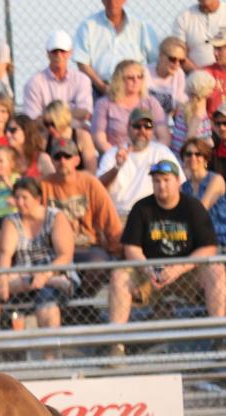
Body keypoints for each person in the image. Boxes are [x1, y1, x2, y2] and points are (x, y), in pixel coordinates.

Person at [108, 160, 225, 348]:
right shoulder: (141, 208)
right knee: (119, 275)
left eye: (166, 180)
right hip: (150, 273)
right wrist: (147, 268)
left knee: (217, 271)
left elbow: (208, 247)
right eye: (156, 181)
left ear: (177, 181)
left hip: (187, 272)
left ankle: (219, 339)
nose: (161, 185)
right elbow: (131, 248)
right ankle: (116, 343)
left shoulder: (193, 207)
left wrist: (179, 268)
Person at [0, 178, 76, 335]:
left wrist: (45, 274)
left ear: (37, 199)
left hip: (54, 270)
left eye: (24, 198)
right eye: (17, 198)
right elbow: (5, 254)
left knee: (46, 302)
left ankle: (50, 358)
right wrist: (2, 276)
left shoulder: (55, 217)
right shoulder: (12, 221)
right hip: (25, 273)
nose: (20, 203)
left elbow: (65, 255)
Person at [41, 138, 124, 271]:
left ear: (77, 160)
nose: (62, 161)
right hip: (54, 249)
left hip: (87, 246)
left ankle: (82, 292)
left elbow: (110, 220)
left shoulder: (90, 182)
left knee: (99, 264)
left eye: (67, 156)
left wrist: (118, 251)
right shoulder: (43, 185)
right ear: (52, 161)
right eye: (58, 157)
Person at [98, 107, 185, 220]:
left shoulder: (161, 152)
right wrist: (117, 167)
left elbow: (179, 184)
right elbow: (99, 186)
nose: (142, 131)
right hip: (121, 214)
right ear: (128, 127)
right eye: (137, 126)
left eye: (147, 126)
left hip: (154, 213)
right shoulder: (113, 153)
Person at [72, 0, 160, 96]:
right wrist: (102, 87)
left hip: (137, 89)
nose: (112, 2)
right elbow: (82, 62)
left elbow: (155, 61)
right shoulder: (88, 26)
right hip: (100, 89)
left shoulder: (142, 27)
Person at [91, 59, 170, 153]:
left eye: (139, 77)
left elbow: (164, 138)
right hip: (116, 154)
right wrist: (116, 154)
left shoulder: (151, 102)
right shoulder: (104, 104)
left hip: (148, 156)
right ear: (119, 80)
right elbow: (99, 139)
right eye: (130, 78)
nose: (136, 81)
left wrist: (152, 155)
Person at [22, 30, 93, 123]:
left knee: (84, 135)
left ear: (70, 53)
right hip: (45, 132)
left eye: (63, 51)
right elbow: (33, 118)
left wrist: (50, 116)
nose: (59, 55)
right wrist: (68, 114)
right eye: (54, 51)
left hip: (74, 130)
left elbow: (85, 112)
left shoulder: (82, 80)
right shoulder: (34, 83)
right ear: (48, 53)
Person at [181, 137, 226, 246]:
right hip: (197, 241)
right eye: (188, 154)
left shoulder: (216, 180)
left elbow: (201, 209)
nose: (193, 157)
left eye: (198, 154)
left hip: (220, 240)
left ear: (205, 158)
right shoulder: (184, 187)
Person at [42, 101, 98, 173]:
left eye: (53, 124)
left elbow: (91, 171)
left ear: (63, 120)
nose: (50, 128)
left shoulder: (82, 137)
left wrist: (69, 177)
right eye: (46, 124)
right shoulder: (44, 139)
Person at [172, 70, 216, 153]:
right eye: (210, 88)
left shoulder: (186, 106)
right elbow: (189, 138)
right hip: (188, 155)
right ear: (203, 90)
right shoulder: (196, 112)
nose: (213, 91)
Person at [149, 37, 188, 115]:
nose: (177, 64)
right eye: (173, 59)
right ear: (160, 56)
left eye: (181, 61)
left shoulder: (179, 74)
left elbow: (181, 103)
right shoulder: (144, 72)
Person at [206, 29, 226, 114]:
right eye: (214, 48)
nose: (215, 53)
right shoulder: (206, 73)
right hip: (213, 125)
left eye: (219, 49)